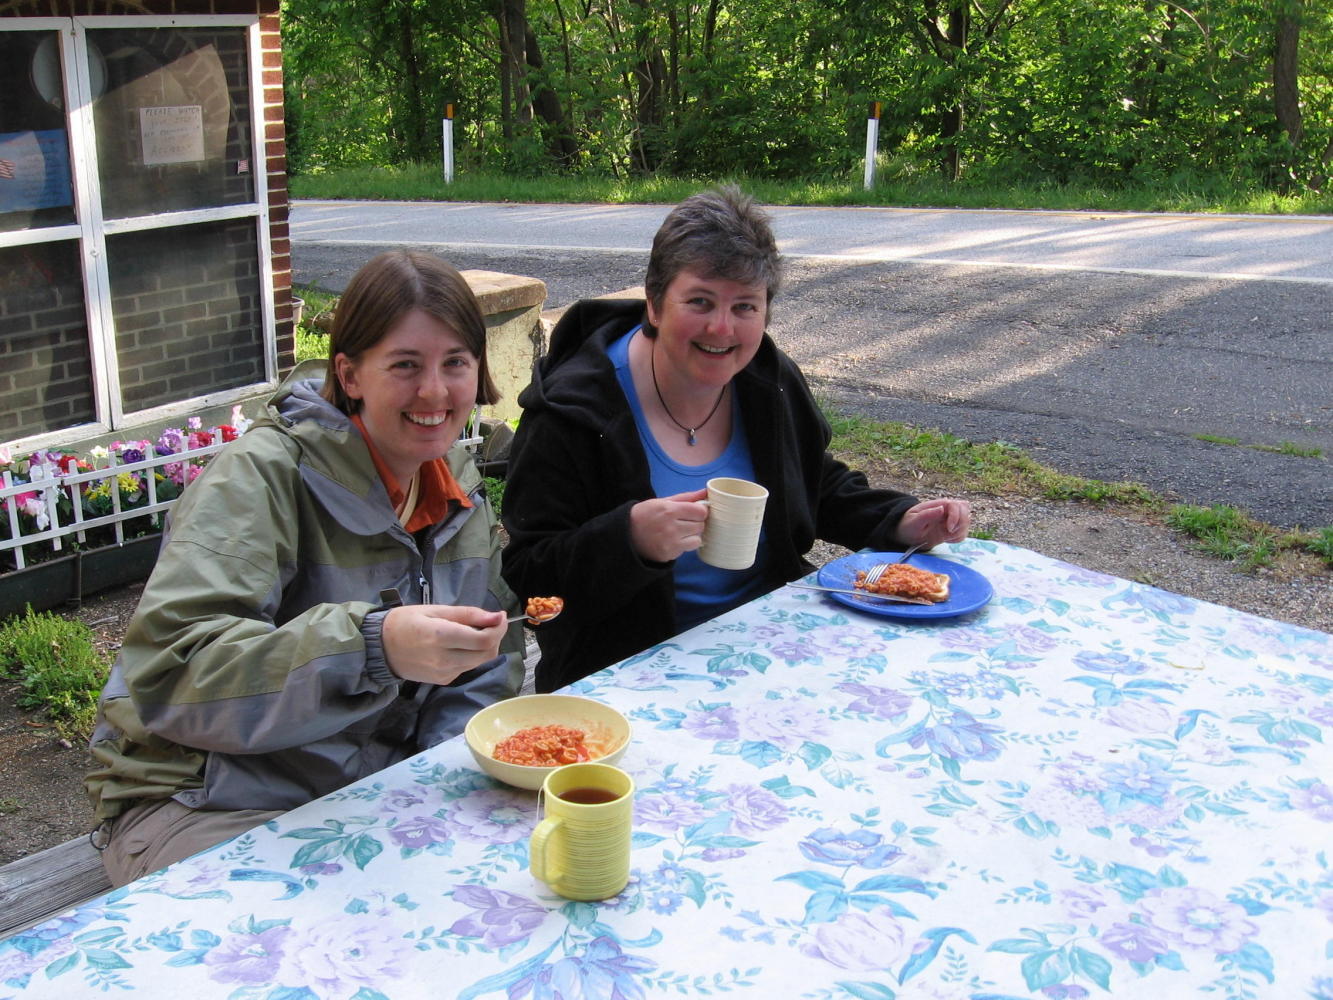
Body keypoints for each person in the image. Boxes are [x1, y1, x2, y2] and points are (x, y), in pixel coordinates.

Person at [86, 250, 524, 886]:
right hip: (206, 797)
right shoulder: (257, 481)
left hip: (363, 782)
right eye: (405, 364)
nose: (435, 391)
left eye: (455, 362)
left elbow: (488, 657)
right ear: (349, 374)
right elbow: (172, 678)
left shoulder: (454, 487)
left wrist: (443, 773)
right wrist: (371, 647)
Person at [501, 187, 970, 693]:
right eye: (700, 301)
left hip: (765, 641)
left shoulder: (768, 380)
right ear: (655, 304)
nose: (721, 328)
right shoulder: (570, 410)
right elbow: (529, 578)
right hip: (628, 672)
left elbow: (810, 480)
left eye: (745, 306)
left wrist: (897, 520)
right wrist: (628, 541)